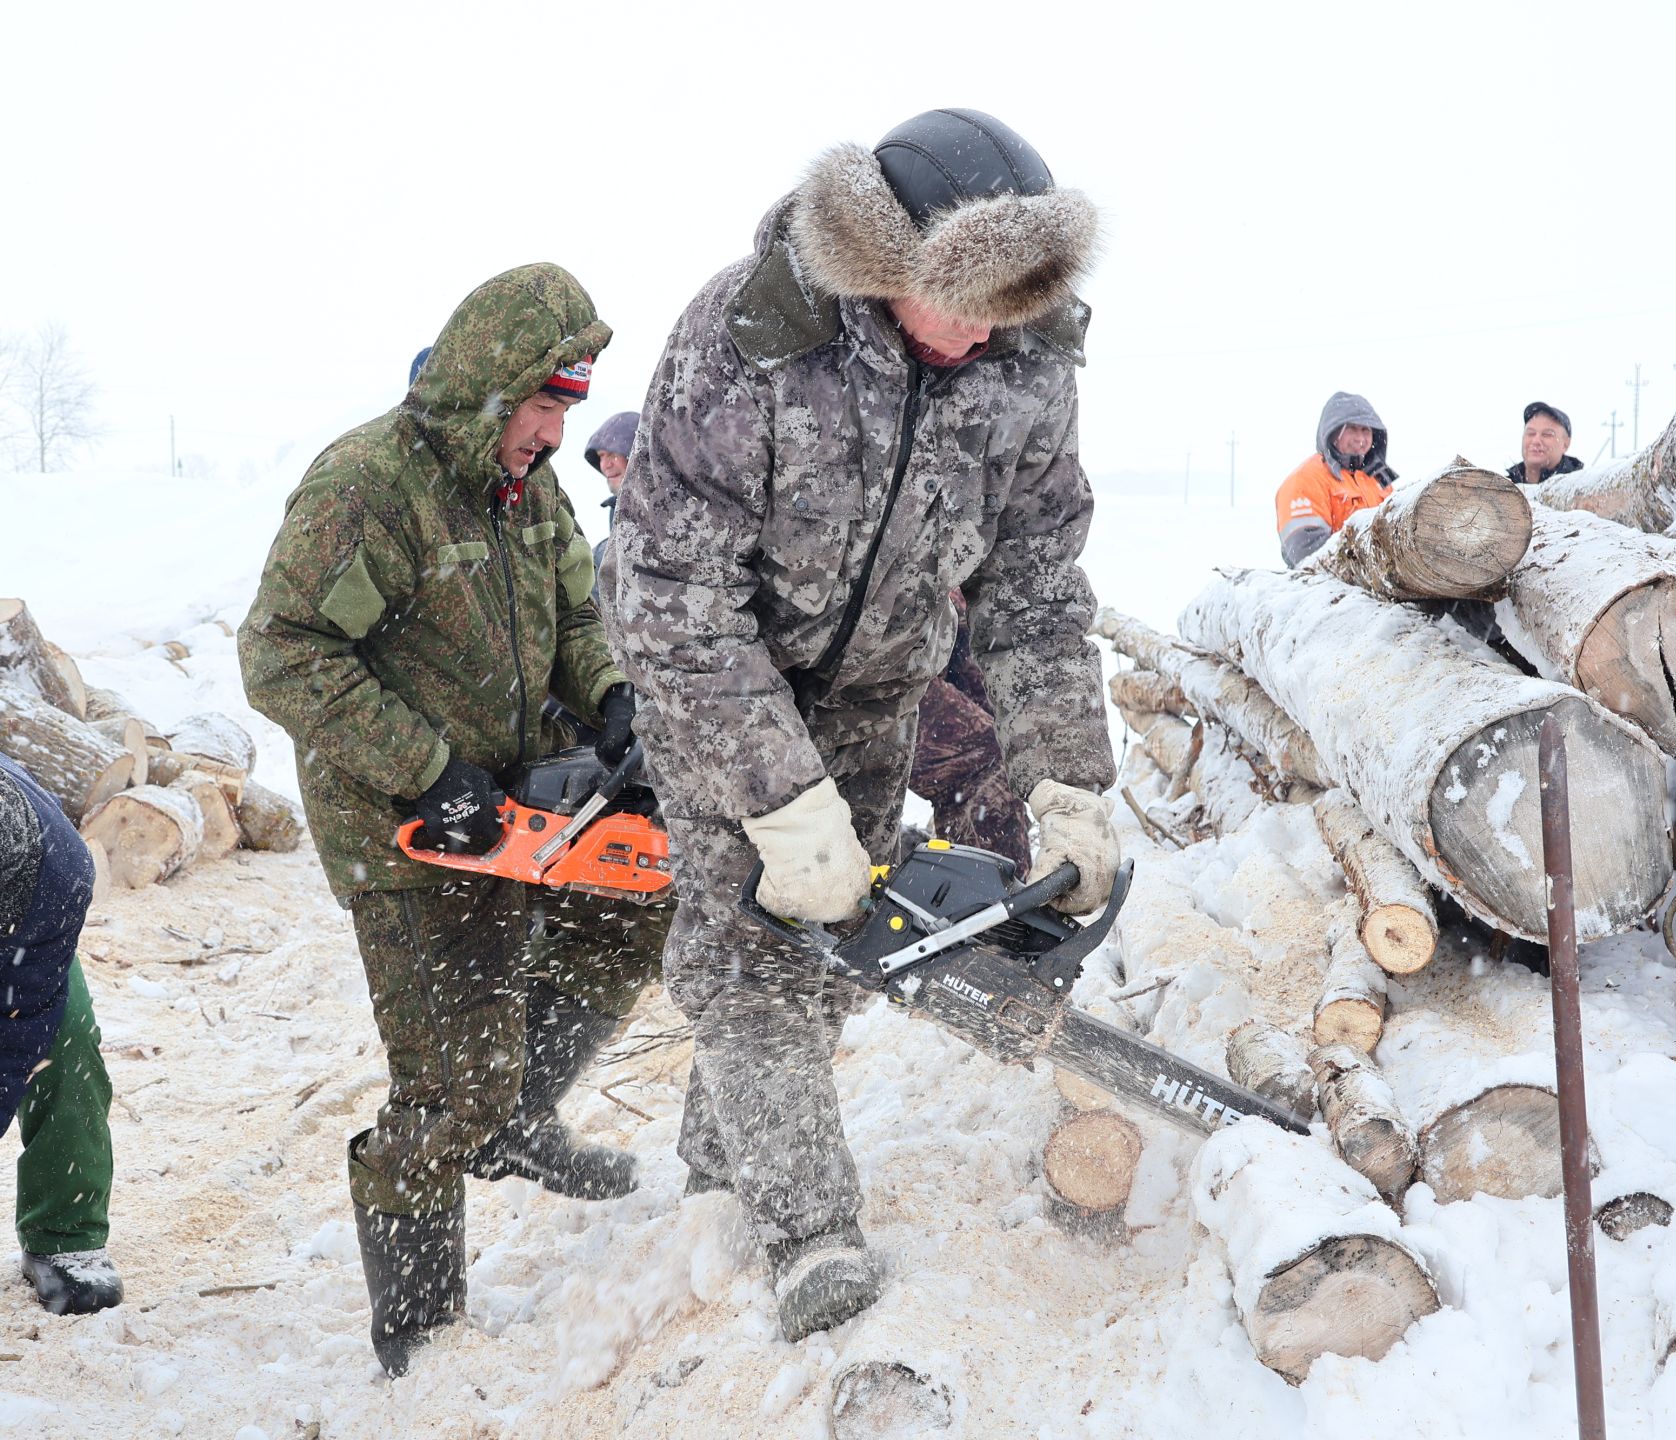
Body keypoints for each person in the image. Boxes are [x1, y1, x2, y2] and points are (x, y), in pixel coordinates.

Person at [607, 108, 1122, 1342]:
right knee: (751, 955)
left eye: (1010, 300)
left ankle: (720, 1157)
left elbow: (1037, 588)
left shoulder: (1028, 368)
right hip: (716, 681)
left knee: (822, 947)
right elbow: (670, 590)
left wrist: (1067, 779)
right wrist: (777, 795)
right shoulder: (755, 335)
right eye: (963, 297)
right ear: (889, 260)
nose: (984, 328)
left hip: (880, 695)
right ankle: (809, 1235)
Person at [239, 263, 670, 1378]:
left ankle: (520, 1113)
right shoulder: (368, 487)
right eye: (543, 407)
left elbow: (579, 609)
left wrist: (613, 694)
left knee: (633, 922)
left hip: (522, 803)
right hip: (407, 826)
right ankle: (421, 1333)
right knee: (445, 1086)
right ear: (492, 386)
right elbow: (280, 652)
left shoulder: (528, 486)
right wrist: (426, 769)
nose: (553, 431)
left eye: (569, 411)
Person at [1, 754, 120, 1316]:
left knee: (65, 1039)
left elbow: (21, 1029)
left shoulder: (56, 869)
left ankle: (65, 1235)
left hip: (19, 925)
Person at [909, 590, 1031, 869]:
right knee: (985, 762)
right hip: (884, 653)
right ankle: (989, 895)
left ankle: (981, 882)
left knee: (1003, 734)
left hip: (945, 624)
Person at [1273, 392, 1397, 567]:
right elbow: (1308, 555)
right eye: (1351, 429)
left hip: (1379, 582)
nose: (1360, 438)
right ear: (1332, 432)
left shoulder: (1379, 477)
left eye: (1366, 430)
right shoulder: (1305, 479)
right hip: (1325, 589)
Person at [582, 411, 641, 611]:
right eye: (601, 456)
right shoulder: (601, 553)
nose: (606, 465)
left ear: (637, 452)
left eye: (614, 454)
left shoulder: (678, 512)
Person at [1509, 400, 1584, 486]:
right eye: (1531, 433)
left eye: (1547, 434)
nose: (1536, 441)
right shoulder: (1500, 490)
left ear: (1565, 444)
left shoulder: (1583, 488)